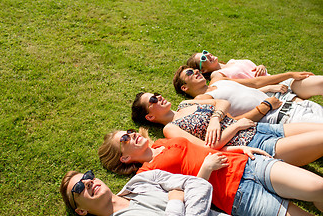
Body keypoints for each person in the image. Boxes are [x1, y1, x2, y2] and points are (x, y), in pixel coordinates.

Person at [98, 129, 323, 216]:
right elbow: (185, 200)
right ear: (125, 158)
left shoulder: (163, 141)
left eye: (128, 132)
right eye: (124, 140)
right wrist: (205, 169)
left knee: (318, 187)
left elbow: (204, 148)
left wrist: (236, 148)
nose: (131, 135)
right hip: (237, 197)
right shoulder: (147, 176)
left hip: (247, 164)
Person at [60, 169, 298, 216]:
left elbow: (198, 186)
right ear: (81, 210)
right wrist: (175, 202)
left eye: (87, 176)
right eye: (79, 188)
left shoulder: (142, 180)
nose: (88, 182)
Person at [130, 92, 323, 166]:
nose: (158, 97)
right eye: (153, 100)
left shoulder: (186, 103)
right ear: (150, 116)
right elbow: (207, 148)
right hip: (253, 144)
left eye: (155, 94)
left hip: (262, 128)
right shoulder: (171, 129)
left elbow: (223, 102)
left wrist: (216, 118)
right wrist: (236, 126)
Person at [173, 66, 323, 124]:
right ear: (184, 87)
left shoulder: (219, 80)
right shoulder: (202, 100)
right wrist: (265, 107)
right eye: (190, 73)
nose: (197, 72)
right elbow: (230, 123)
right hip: (283, 117)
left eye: (196, 70)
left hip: (295, 104)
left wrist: (289, 74)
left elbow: (256, 83)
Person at [186, 50, 323, 99]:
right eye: (203, 59)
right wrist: (288, 74)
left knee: (320, 83)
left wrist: (260, 67)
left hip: (281, 82)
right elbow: (249, 86)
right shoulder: (217, 76)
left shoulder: (233, 61)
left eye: (205, 52)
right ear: (203, 70)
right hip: (272, 93)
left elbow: (253, 72)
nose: (207, 55)